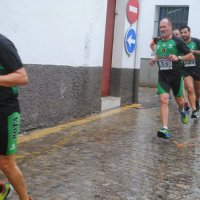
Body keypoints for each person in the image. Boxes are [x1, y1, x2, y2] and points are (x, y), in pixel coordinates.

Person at [149, 18, 194, 139]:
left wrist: (178, 57)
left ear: (170, 27)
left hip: (176, 77)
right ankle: (164, 128)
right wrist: (155, 58)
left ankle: (182, 110)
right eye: (160, 27)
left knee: (180, 101)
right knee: (164, 99)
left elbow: (190, 55)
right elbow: (153, 46)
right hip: (163, 76)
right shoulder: (157, 41)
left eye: (164, 27)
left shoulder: (177, 41)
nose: (162, 29)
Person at [0, 34, 32, 200]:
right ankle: (1, 190)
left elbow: (22, 77)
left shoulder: (3, 44)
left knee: (6, 163)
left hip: (5, 112)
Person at [180, 25, 200, 118]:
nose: (183, 34)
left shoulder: (196, 41)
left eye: (185, 32)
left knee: (198, 91)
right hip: (185, 69)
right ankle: (194, 110)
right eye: (182, 33)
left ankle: (197, 102)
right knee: (190, 89)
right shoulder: (179, 43)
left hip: (197, 68)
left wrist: (194, 52)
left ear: (189, 32)